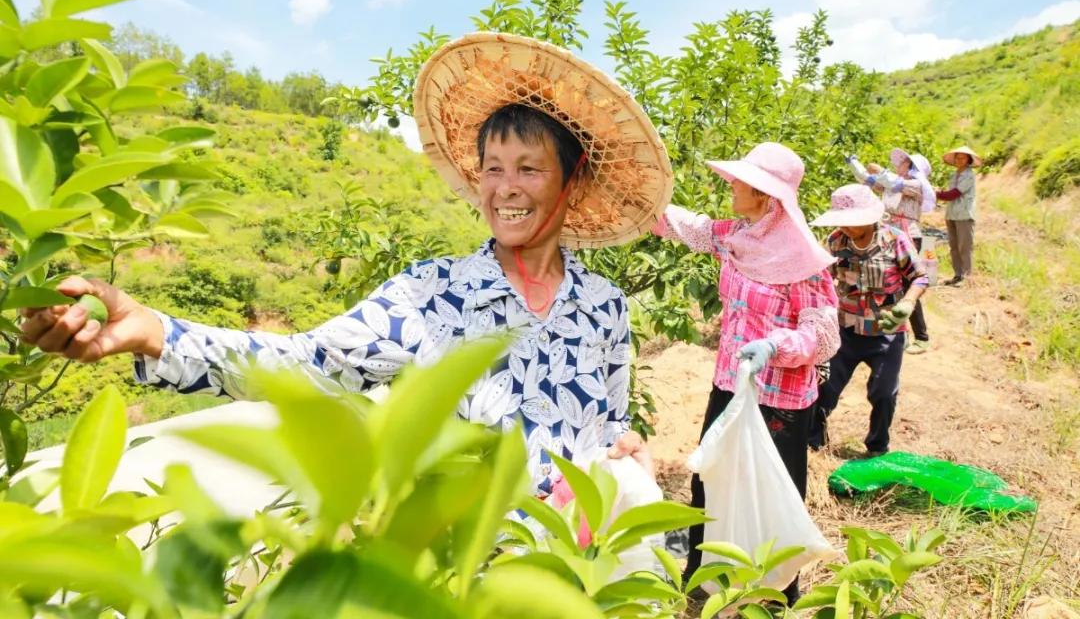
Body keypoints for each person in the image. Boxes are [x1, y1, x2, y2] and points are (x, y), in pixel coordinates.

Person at [18, 32, 675, 501]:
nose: (505, 188)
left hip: (576, 579)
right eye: (492, 169)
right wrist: (154, 331)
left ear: (571, 179)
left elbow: (608, 427)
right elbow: (303, 366)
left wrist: (627, 448)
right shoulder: (431, 297)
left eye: (529, 169)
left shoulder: (605, 306)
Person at [651, 142, 840, 604]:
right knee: (711, 479)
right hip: (731, 385)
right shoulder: (738, 235)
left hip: (779, 399)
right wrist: (638, 200)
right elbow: (690, 229)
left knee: (768, 497)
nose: (730, 185)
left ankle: (769, 597)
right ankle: (701, 580)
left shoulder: (805, 262)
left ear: (764, 195)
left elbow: (825, 335)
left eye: (740, 181)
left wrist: (777, 345)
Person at [808, 184, 929, 458]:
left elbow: (920, 276)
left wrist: (908, 303)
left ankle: (877, 447)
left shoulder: (895, 240)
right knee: (824, 389)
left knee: (884, 393)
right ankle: (813, 441)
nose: (847, 227)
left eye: (853, 221)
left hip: (886, 334)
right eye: (843, 221)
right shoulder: (836, 242)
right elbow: (820, 280)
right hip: (845, 331)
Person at [845, 149, 936, 354]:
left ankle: (922, 337)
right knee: (890, 283)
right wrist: (854, 163)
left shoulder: (915, 185)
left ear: (912, 167)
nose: (900, 164)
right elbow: (869, 180)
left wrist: (880, 170)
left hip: (909, 236)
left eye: (904, 162)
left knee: (907, 284)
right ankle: (900, 334)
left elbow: (889, 180)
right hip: (891, 235)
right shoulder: (893, 185)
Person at [935, 145, 980, 286]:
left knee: (964, 247)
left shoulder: (969, 175)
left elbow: (954, 194)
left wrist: (936, 193)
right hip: (952, 214)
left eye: (963, 158)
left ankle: (966, 277)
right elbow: (950, 194)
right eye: (958, 157)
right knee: (954, 246)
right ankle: (957, 275)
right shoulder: (954, 175)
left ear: (968, 160)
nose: (960, 160)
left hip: (964, 214)